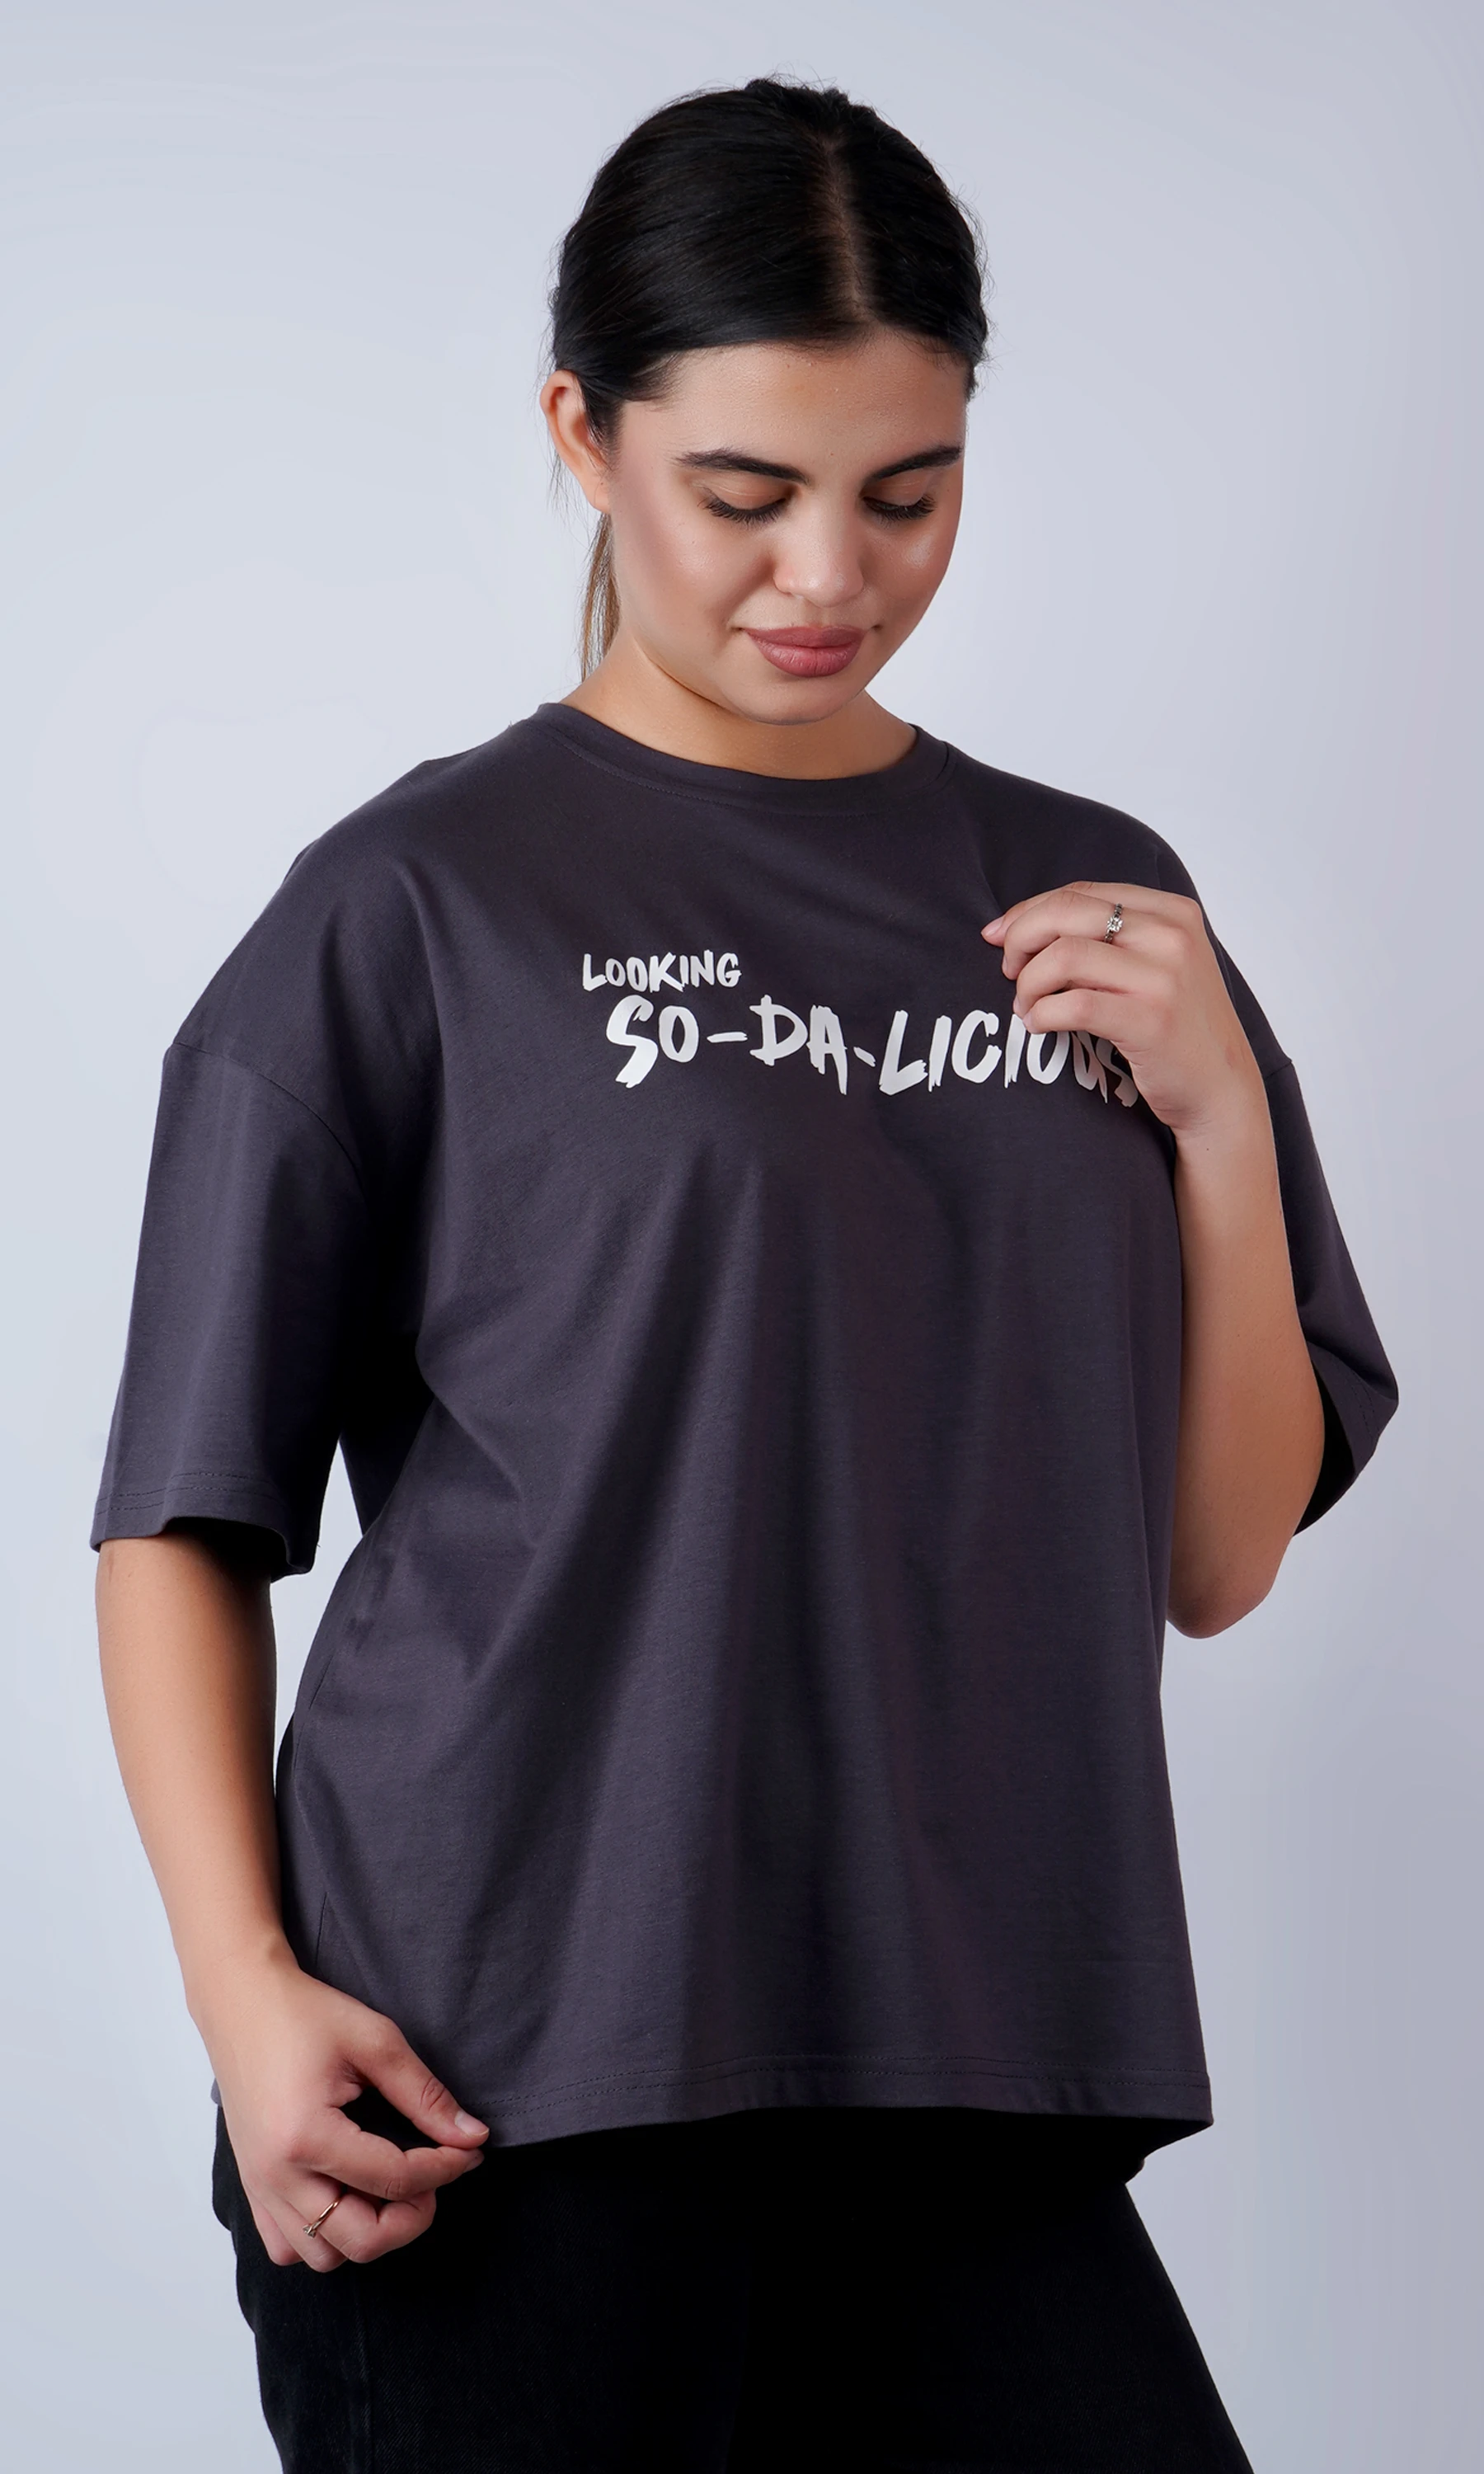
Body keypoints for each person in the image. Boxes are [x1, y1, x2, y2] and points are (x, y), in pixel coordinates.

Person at [94, 77, 1396, 2474]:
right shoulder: (416, 906)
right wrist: (243, 1994)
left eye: (907, 493)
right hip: (498, 2076)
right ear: (581, 436)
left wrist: (1220, 1119)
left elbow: (1213, 1563)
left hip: (975, 2058)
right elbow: (183, 1512)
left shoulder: (1094, 900)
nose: (829, 572)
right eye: (745, 491)